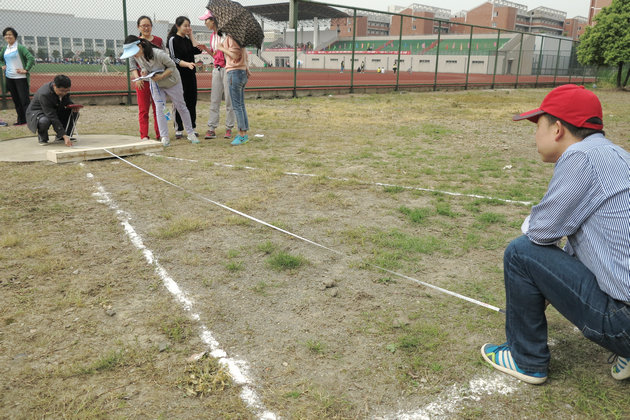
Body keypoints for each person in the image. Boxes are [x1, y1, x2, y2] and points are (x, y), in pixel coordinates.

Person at [481, 84, 630, 385]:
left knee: (521, 252)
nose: (535, 134)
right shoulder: (619, 156)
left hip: (623, 323)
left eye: (538, 125)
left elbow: (540, 233)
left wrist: (538, 278)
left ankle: (526, 359)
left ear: (558, 129)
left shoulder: (581, 158)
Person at [121, 35, 199, 147]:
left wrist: (161, 76)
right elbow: (145, 67)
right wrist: (144, 71)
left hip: (172, 82)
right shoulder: (138, 56)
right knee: (159, 108)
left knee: (180, 106)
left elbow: (172, 67)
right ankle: (164, 137)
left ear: (140, 46)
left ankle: (191, 133)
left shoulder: (158, 54)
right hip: (156, 83)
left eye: (133, 51)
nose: (133, 55)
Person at [199, 9, 235, 140]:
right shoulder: (212, 37)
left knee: (229, 100)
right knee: (214, 99)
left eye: (206, 20)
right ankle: (211, 128)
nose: (205, 23)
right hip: (217, 69)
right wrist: (206, 49)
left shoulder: (226, 35)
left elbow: (230, 52)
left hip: (228, 69)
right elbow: (215, 55)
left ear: (213, 21)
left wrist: (223, 49)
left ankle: (229, 128)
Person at [167, 16, 203, 140]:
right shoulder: (173, 39)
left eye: (189, 25)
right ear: (178, 26)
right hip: (178, 75)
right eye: (185, 26)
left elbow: (198, 50)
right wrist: (186, 64)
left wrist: (191, 35)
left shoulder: (188, 40)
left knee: (191, 100)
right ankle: (179, 129)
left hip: (190, 75)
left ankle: (191, 127)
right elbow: (173, 58)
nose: (188, 28)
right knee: (179, 102)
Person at [129, 15, 163, 141]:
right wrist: (138, 79)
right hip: (142, 81)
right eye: (143, 25)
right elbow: (132, 63)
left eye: (148, 25)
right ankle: (144, 135)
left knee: (158, 108)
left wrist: (161, 76)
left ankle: (160, 134)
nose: (146, 28)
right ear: (138, 27)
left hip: (157, 79)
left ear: (152, 27)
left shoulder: (158, 41)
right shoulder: (134, 43)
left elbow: (164, 58)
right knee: (143, 110)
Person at [217, 33, 250, 146]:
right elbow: (244, 55)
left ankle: (241, 135)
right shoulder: (240, 37)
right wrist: (246, 68)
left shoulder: (232, 37)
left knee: (237, 106)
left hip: (234, 72)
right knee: (240, 105)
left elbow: (235, 55)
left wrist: (221, 48)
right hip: (240, 72)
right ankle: (243, 133)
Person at [25, 74, 76, 147]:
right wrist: (63, 134)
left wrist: (73, 106)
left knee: (73, 112)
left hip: (53, 110)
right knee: (44, 121)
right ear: (54, 86)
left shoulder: (63, 92)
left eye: (67, 91)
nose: (64, 93)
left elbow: (67, 101)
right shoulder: (44, 94)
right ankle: (43, 137)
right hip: (38, 113)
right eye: (62, 91)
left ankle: (63, 136)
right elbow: (51, 115)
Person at [1, 27, 35, 126]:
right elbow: (0, 59)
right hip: (9, 78)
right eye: (6, 34)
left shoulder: (20, 48)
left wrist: (26, 69)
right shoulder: (5, 49)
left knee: (24, 100)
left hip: (20, 78)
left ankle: (30, 120)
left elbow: (30, 58)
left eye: (10, 34)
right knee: (16, 100)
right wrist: (2, 65)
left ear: (15, 36)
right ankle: (21, 120)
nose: (8, 36)